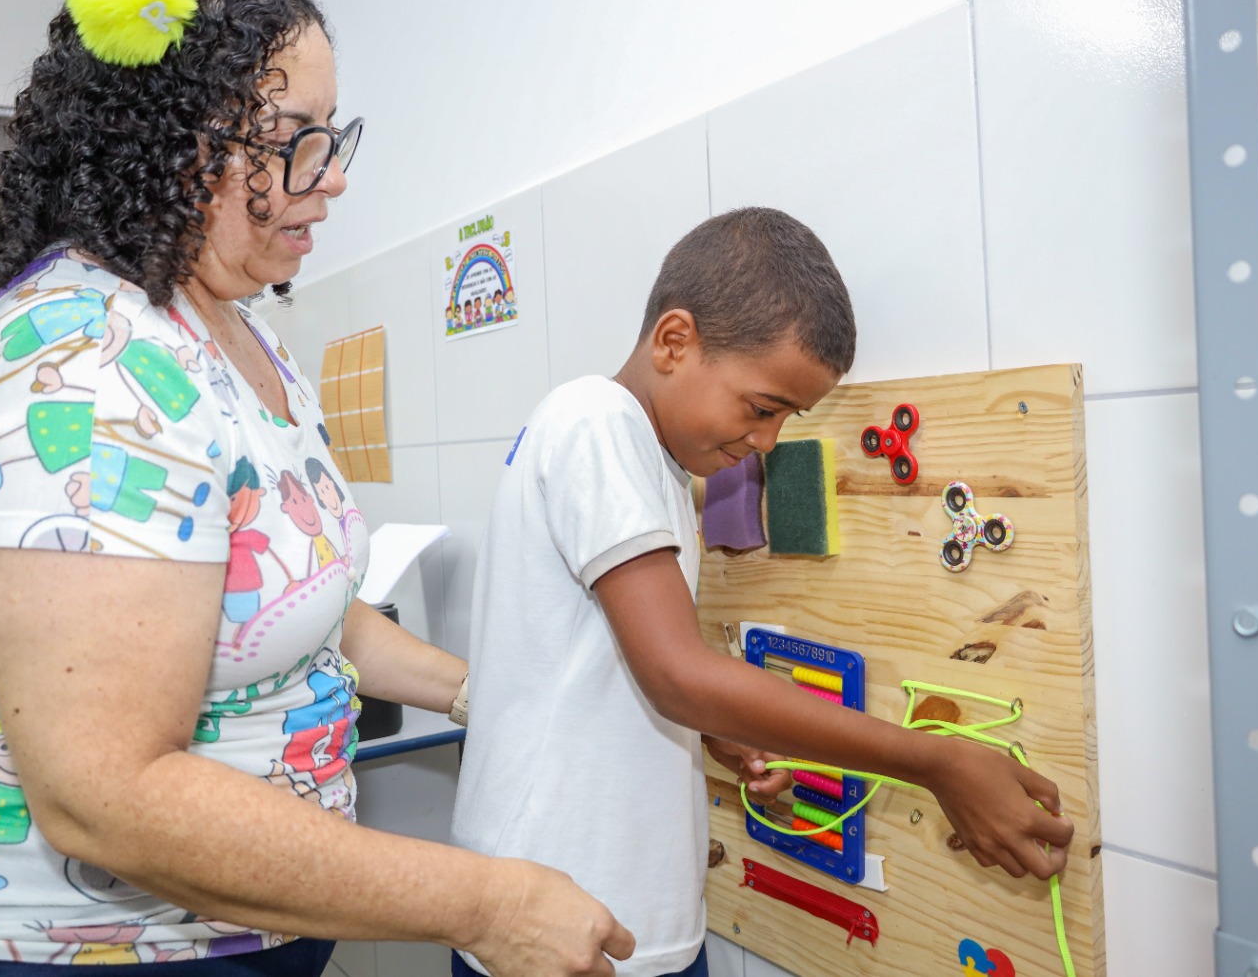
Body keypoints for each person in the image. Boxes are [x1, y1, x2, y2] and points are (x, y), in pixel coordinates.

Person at [0, 0, 633, 974]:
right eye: (298, 138)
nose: (332, 177)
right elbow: (105, 796)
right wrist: (483, 902)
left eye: (336, 134)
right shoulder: (88, 361)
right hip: (19, 946)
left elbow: (298, 612)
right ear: (174, 139)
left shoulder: (239, 337)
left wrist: (483, 693)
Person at [449, 207, 1076, 977]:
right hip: (558, 926)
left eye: (786, 417)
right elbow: (676, 674)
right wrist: (934, 762)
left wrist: (721, 729)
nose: (768, 441)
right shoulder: (596, 422)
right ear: (674, 342)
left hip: (618, 917)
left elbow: (611, 666)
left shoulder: (657, 463)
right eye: (763, 407)